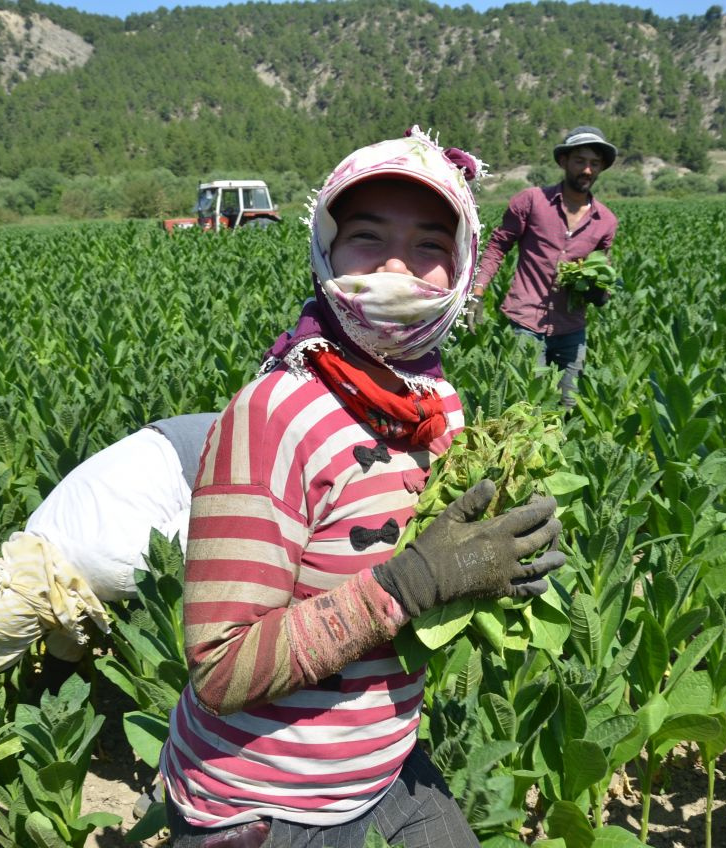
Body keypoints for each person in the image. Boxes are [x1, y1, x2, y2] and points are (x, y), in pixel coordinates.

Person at [159, 127, 565, 848]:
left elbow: (436, 570)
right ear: (325, 252)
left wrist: (499, 564)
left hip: (381, 766)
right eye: (368, 239)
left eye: (433, 247)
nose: (399, 270)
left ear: (466, 268)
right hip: (266, 804)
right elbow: (221, 667)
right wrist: (412, 584)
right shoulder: (273, 416)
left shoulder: (437, 404)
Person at [0, 413, 219, 674]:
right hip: (177, 434)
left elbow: (209, 526)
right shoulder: (36, 544)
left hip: (220, 453)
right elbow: (65, 604)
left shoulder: (118, 571)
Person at [467, 125, 621, 407]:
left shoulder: (606, 222)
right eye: (580, 161)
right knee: (525, 404)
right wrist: (477, 292)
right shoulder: (532, 201)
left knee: (568, 405)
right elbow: (498, 246)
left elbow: (602, 270)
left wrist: (599, 291)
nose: (587, 170)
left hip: (571, 327)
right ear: (563, 162)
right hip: (526, 322)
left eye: (594, 164)